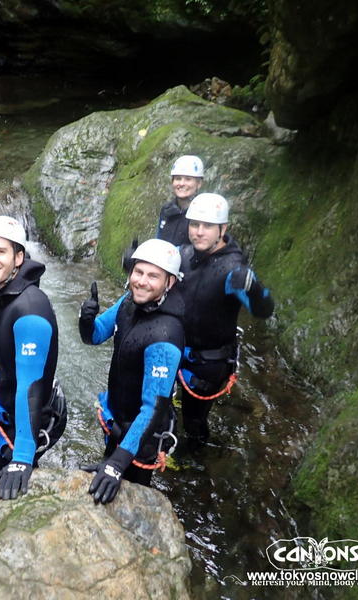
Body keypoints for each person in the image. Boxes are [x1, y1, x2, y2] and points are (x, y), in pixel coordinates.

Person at [78, 239, 184, 504]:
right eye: (138, 272)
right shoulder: (128, 303)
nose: (142, 281)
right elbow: (94, 336)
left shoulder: (165, 336)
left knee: (132, 497)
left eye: (153, 276)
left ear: (169, 283)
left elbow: (153, 408)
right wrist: (86, 318)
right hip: (119, 421)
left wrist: (117, 463)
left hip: (144, 434)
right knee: (104, 487)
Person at [0, 216, 66, 500]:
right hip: (7, 406)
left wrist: (23, 456)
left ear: (19, 257)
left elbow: (31, 386)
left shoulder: (29, 309)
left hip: (36, 412)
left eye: (0, 252)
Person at [176, 193, 275, 448]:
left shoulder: (234, 270)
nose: (198, 232)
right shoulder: (183, 254)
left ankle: (195, 462)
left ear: (223, 229)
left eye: (207, 226)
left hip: (208, 362)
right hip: (176, 349)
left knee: (194, 422)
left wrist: (253, 288)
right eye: (194, 225)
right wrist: (132, 263)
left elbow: (263, 310)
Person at [155, 155, 205, 246]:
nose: (181, 183)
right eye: (178, 178)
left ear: (199, 183)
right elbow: (158, 241)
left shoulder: (204, 212)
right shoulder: (166, 210)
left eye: (188, 179)